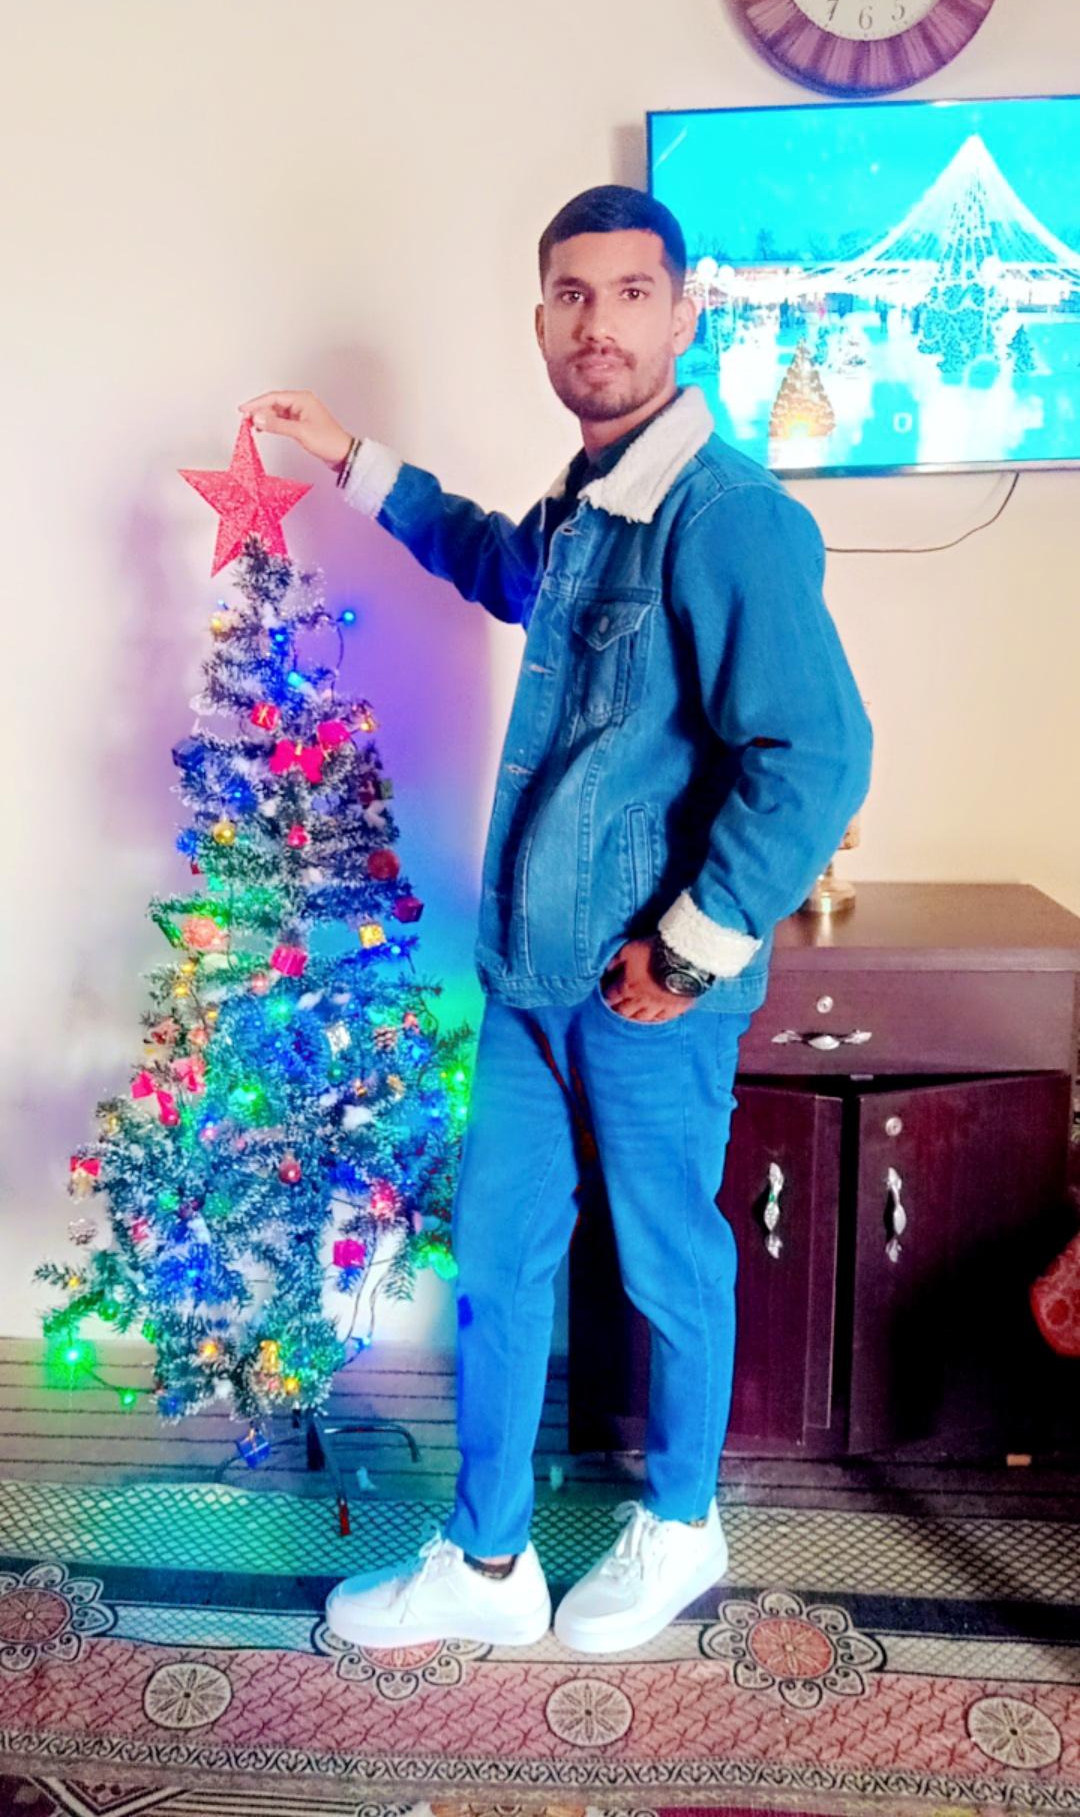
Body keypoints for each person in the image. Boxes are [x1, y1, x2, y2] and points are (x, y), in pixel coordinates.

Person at [239, 184, 872, 1656]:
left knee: (670, 1264)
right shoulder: (593, 504)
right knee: (500, 1260)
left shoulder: (727, 517)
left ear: (683, 316)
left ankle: (683, 1527)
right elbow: (495, 563)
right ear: (542, 321)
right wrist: (352, 460)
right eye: (573, 296)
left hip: (646, 990)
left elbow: (819, 753)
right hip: (529, 975)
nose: (600, 324)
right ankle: (488, 1558)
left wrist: (694, 948)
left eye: (632, 293)